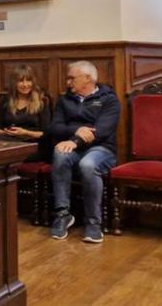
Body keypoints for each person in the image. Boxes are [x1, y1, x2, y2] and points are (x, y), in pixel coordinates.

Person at [48, 60, 120, 243]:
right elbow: (54, 128)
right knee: (59, 153)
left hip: (102, 149)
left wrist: (74, 140)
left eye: (72, 78)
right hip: (73, 145)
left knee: (87, 165)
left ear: (88, 78)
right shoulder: (65, 100)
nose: (68, 82)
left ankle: (93, 223)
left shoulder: (109, 99)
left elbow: (101, 131)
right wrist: (76, 132)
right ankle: (62, 214)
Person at [0, 65, 50, 161]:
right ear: (14, 83)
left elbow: (45, 134)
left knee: (5, 154)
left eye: (28, 80)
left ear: (33, 82)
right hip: (9, 141)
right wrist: (6, 132)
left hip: (32, 143)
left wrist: (25, 132)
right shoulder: (5, 101)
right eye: (21, 81)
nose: (25, 84)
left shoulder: (42, 102)